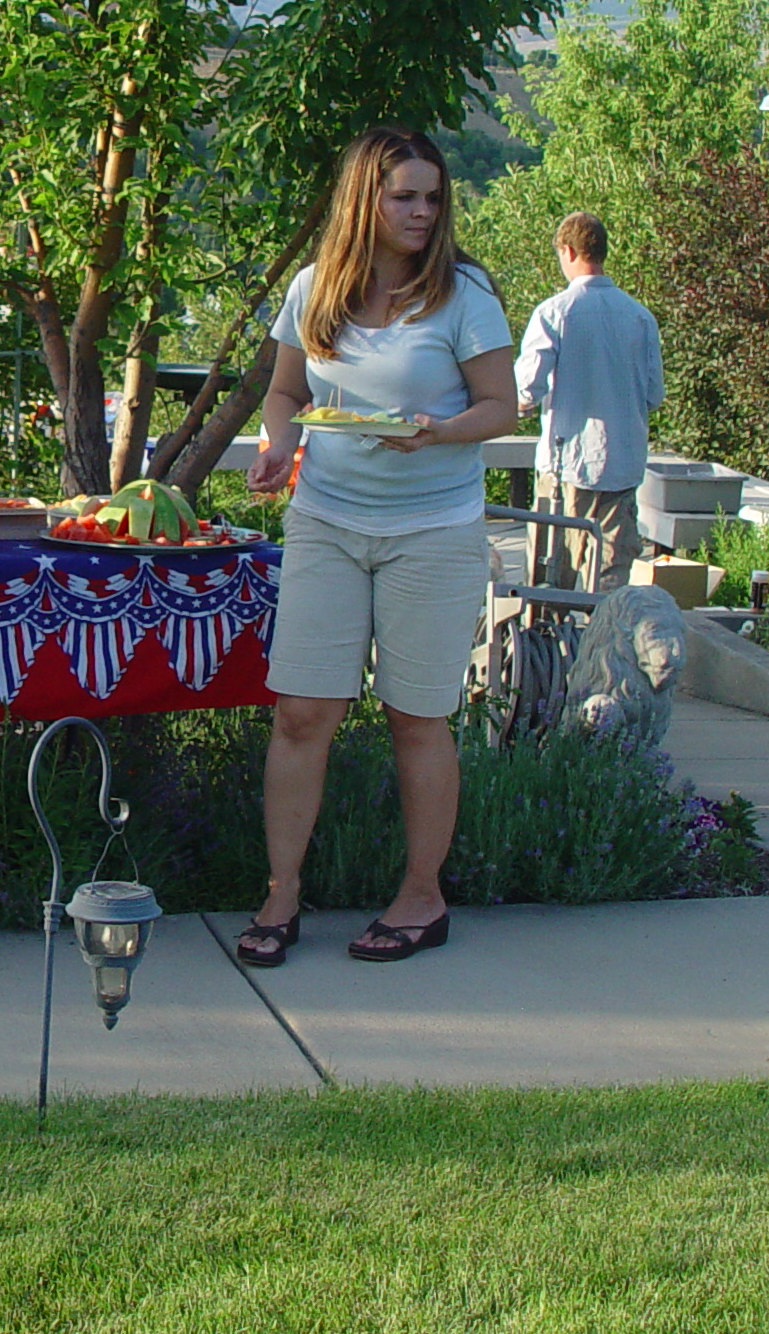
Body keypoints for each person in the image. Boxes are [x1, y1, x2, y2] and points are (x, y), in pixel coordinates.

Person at [239, 128, 519, 965]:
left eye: (433, 197)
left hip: (432, 532)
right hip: (326, 519)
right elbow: (287, 390)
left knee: (415, 717)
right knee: (301, 713)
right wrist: (277, 446)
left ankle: (422, 896)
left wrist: (437, 432)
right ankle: (282, 893)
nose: (424, 212)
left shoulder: (464, 293)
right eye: (405, 196)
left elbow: (500, 407)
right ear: (366, 199)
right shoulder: (315, 287)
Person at [512, 211, 664, 590]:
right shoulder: (641, 318)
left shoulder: (554, 313)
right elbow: (654, 395)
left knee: (550, 581)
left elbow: (526, 390)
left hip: (568, 467)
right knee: (610, 584)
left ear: (568, 250)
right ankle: (604, 648)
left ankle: (548, 645)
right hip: (622, 466)